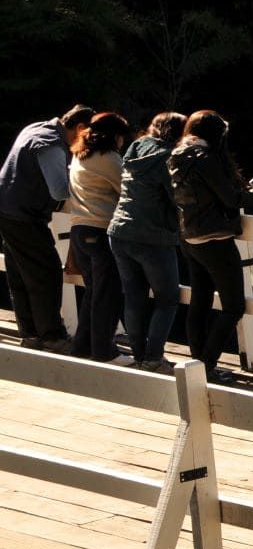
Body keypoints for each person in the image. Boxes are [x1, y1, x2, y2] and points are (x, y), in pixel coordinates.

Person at [169, 111, 253, 383]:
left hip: (189, 238)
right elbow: (232, 199)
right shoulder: (206, 159)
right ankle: (207, 364)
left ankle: (197, 365)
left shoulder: (176, 156)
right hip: (215, 240)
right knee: (233, 306)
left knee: (200, 301)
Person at [0, 105, 93, 354]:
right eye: (88, 135)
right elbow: (59, 191)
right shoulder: (51, 145)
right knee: (47, 272)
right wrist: (88, 187)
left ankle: (30, 333)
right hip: (24, 214)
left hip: (7, 207)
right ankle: (52, 336)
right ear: (80, 128)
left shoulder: (36, 128)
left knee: (20, 274)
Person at [108, 112, 187, 373]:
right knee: (167, 298)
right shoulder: (168, 158)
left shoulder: (135, 149)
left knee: (134, 297)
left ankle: (140, 356)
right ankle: (153, 358)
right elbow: (178, 197)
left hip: (120, 231)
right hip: (153, 236)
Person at [66, 112, 132, 363]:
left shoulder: (79, 154)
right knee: (108, 294)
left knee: (93, 292)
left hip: (79, 230)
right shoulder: (110, 159)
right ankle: (105, 352)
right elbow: (128, 190)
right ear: (115, 136)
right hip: (101, 230)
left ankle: (82, 345)